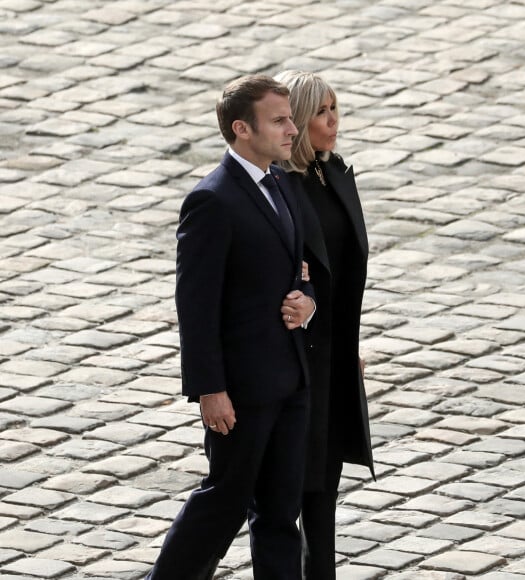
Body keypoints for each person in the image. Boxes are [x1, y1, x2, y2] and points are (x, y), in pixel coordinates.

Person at [145, 74, 316, 580]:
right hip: (242, 390)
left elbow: (303, 268)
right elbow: (195, 307)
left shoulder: (282, 182)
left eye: (290, 117)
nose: (292, 128)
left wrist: (307, 301)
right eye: (280, 120)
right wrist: (209, 390)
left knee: (282, 513)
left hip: (291, 379)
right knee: (224, 501)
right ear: (242, 129)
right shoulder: (212, 202)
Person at [276, 70, 375, 580]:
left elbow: (345, 270)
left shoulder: (334, 174)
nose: (332, 120)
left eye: (335, 108)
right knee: (286, 492)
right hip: (296, 359)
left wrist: (348, 343)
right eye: (320, 111)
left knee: (325, 490)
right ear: (295, 119)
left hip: (334, 355)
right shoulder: (283, 188)